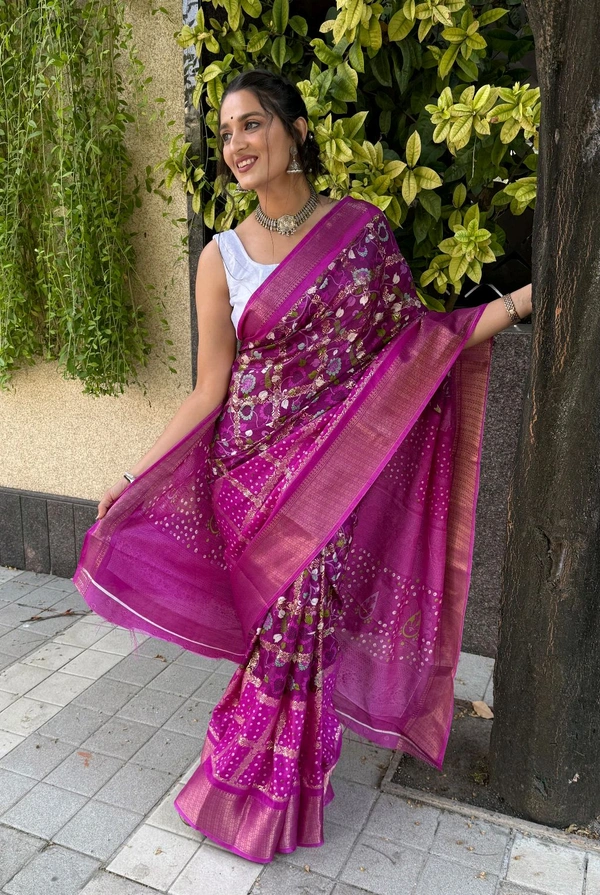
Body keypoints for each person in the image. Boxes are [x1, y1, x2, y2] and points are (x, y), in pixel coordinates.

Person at [74, 69, 532, 863]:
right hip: (245, 475)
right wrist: (131, 474)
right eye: (225, 134)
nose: (236, 145)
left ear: (296, 130)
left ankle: (266, 790)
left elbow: (417, 345)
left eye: (251, 124)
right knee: (289, 620)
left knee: (301, 619)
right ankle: (248, 788)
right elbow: (208, 391)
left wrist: (520, 303)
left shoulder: (361, 235)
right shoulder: (220, 257)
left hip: (326, 472)